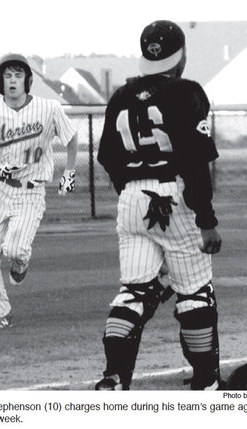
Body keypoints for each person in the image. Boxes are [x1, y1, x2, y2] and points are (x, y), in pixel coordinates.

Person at [95, 20, 223, 390]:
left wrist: (132, 188)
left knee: (133, 292)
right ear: (180, 56)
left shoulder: (121, 95)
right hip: (174, 196)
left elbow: (107, 156)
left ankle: (114, 377)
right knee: (195, 292)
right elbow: (196, 161)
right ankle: (205, 383)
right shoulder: (186, 91)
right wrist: (206, 219)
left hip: (132, 199)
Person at [0, 53, 78, 329]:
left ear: (28, 80)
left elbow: (72, 137)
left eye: (18, 75)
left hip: (31, 191)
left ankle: (20, 263)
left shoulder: (48, 108)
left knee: (14, 249)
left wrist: (69, 175)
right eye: (7, 76)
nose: (12, 81)